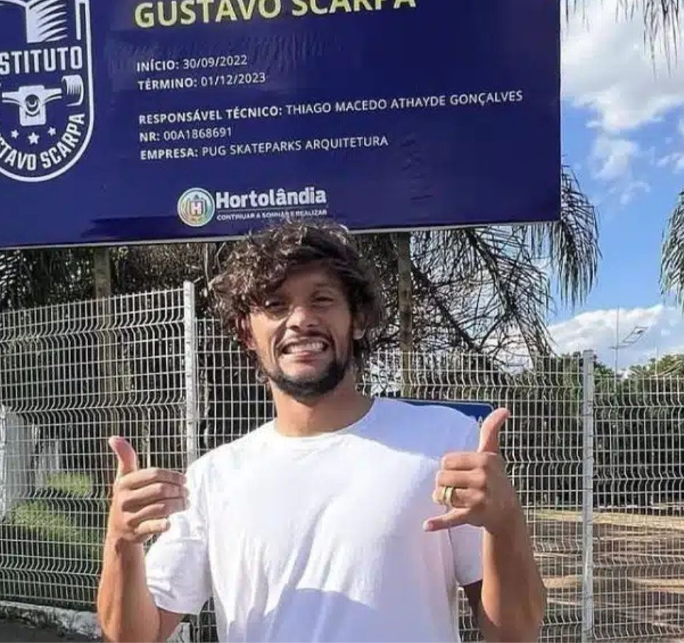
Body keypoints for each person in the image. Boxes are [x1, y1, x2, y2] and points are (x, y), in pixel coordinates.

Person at [97, 220, 546, 643]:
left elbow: (516, 634)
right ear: (246, 332)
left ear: (358, 319)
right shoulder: (213, 478)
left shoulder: (442, 440)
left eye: (322, 300)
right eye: (275, 305)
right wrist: (121, 540)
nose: (300, 320)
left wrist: (505, 524)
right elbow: (137, 634)